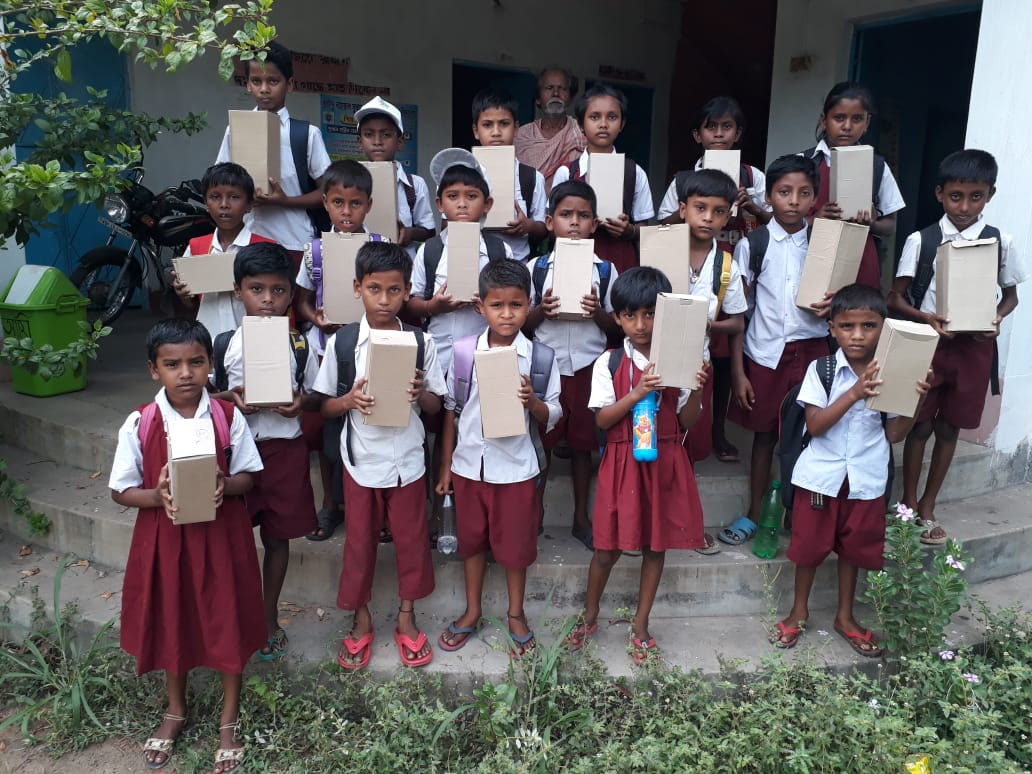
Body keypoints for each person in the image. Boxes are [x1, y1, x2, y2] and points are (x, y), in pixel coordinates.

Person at [109, 318, 264, 773]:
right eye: (172, 364)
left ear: (210, 364)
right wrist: (157, 496)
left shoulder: (227, 417)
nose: (185, 373)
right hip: (166, 539)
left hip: (222, 537)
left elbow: (248, 476)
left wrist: (224, 484)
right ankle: (175, 709)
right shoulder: (141, 422)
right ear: (153, 369)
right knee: (173, 617)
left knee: (227, 616)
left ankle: (229, 718)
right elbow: (120, 490)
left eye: (196, 362)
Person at [771, 284, 930, 657]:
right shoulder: (822, 369)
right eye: (847, 326)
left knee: (854, 549)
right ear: (832, 328)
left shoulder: (892, 372)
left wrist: (916, 400)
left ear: (883, 328)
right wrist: (855, 393)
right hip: (819, 478)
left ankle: (845, 616)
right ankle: (798, 611)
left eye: (868, 326)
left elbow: (894, 434)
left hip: (865, 478)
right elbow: (815, 425)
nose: (857, 335)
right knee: (808, 549)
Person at [566, 266, 708, 663]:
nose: (641, 325)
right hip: (622, 462)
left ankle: (641, 624)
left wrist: (697, 389)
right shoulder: (609, 362)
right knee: (606, 548)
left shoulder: (679, 360)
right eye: (630, 315)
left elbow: (687, 421)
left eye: (650, 314)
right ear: (617, 317)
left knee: (655, 546)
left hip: (665, 462)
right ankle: (589, 615)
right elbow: (602, 420)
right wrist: (637, 392)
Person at [314, 241, 446, 670]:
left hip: (407, 460)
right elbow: (324, 406)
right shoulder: (343, 343)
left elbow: (436, 406)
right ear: (358, 288)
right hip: (361, 462)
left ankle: (407, 616)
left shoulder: (422, 342)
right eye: (375, 289)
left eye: (394, 290)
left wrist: (420, 392)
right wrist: (348, 401)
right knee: (359, 543)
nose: (384, 300)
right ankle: (361, 617)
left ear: (407, 291)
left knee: (412, 541)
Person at [888, 149, 1025, 544]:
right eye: (955, 197)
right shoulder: (922, 240)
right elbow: (895, 297)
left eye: (975, 197)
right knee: (919, 425)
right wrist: (925, 317)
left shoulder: (1000, 241)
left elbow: (1011, 297)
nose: (964, 207)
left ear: (990, 195)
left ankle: (928, 505)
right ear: (939, 194)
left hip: (973, 350)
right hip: (930, 346)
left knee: (950, 428)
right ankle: (908, 503)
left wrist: (996, 318)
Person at [435, 260, 562, 656]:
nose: (507, 314)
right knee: (472, 542)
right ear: (480, 307)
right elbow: (452, 412)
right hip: (469, 467)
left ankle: (515, 613)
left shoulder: (540, 358)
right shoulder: (463, 353)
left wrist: (533, 402)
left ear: (529, 306)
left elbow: (555, 413)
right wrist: (445, 468)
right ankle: (472, 610)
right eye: (497, 305)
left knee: (515, 547)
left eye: (516, 305)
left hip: (516, 469)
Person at [214, 242, 321, 660]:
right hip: (235, 454)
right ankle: (233, 614)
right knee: (232, 539)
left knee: (278, 538)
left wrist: (300, 403)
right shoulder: (224, 344)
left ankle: (269, 614)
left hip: (283, 451)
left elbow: (316, 394)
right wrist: (229, 400)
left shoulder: (299, 344)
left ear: (291, 294)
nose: (267, 300)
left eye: (278, 290)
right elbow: (203, 399)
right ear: (238, 291)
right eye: (256, 289)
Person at [657, 97, 770, 464]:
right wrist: (684, 213)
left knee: (716, 366)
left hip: (731, 267)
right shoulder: (683, 180)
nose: (719, 134)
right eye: (711, 127)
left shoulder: (752, 177)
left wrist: (749, 204)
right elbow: (660, 224)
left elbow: (773, 222)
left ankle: (714, 432)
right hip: (684, 270)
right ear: (698, 135)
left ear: (739, 133)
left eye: (727, 127)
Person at [724, 155, 829, 545]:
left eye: (804, 193)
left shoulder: (823, 244)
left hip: (814, 352)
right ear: (768, 196)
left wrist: (832, 304)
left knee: (809, 436)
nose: (794, 201)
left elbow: (841, 300)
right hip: (766, 353)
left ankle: (797, 512)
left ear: (815, 198)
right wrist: (739, 373)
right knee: (765, 436)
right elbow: (740, 311)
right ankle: (756, 512)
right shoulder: (753, 244)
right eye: (784, 192)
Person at [524, 179, 620, 549]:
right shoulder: (536, 268)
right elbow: (520, 324)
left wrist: (597, 313)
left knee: (583, 445)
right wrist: (541, 311)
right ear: (550, 222)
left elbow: (617, 328)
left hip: (588, 367)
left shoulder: (605, 271)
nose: (575, 223)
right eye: (566, 215)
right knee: (542, 443)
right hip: (546, 368)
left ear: (595, 224)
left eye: (583, 216)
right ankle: (535, 514)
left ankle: (582, 517)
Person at [294, 159, 383, 540]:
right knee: (328, 430)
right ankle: (331, 504)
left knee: (372, 421)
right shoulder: (314, 251)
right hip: (326, 350)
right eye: (338, 203)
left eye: (355, 203)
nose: (347, 212)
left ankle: (375, 507)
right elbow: (301, 300)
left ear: (368, 205)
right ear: (326, 204)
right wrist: (315, 320)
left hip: (370, 350)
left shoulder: (380, 247)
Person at [673, 169, 748, 552]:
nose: (707, 218)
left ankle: (686, 523)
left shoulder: (726, 265)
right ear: (682, 209)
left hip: (697, 368)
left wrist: (710, 324)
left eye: (718, 212)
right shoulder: (662, 249)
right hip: (651, 366)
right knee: (649, 444)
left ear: (728, 216)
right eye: (699, 208)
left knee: (687, 450)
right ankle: (644, 523)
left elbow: (737, 321)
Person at [214, 41, 331, 260]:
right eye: (256, 81)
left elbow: (328, 192)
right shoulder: (236, 129)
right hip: (247, 240)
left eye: (273, 81)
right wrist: (242, 195)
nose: (264, 89)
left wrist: (284, 201)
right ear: (247, 85)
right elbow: (221, 182)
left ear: (290, 84)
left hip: (294, 241)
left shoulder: (306, 134)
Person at [407, 148, 515, 381]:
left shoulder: (499, 251)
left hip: (482, 355)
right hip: (438, 355)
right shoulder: (430, 250)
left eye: (472, 196)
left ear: (487, 204)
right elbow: (413, 301)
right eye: (453, 196)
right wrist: (433, 306)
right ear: (440, 204)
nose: (462, 204)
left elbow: (512, 302)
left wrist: (489, 303)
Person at [798, 81, 905, 290]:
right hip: (807, 256)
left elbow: (890, 226)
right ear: (824, 120)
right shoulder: (801, 162)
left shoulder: (877, 166)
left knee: (855, 309)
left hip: (859, 260)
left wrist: (871, 224)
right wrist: (814, 219)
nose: (847, 126)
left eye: (857, 119)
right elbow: (780, 219)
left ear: (867, 123)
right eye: (839, 118)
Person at [553, 83, 654, 273]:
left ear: (622, 124)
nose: (603, 124)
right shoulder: (567, 173)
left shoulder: (634, 172)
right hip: (574, 263)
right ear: (581, 125)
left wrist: (629, 230)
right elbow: (552, 225)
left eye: (612, 117)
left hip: (621, 262)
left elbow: (645, 229)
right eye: (594, 117)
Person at [172, 162, 273, 340]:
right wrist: (183, 295)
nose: (224, 204)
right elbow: (193, 304)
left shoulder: (265, 248)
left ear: (249, 204)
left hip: (252, 339)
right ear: (206, 203)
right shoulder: (196, 247)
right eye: (215, 197)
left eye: (234, 197)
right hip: (208, 339)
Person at [471, 87, 548, 261]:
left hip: (516, 266)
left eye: (504, 124)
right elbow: (446, 226)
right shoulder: (463, 175)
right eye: (487, 125)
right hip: (474, 265)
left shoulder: (531, 177)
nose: (496, 132)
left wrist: (527, 226)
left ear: (516, 128)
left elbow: (544, 228)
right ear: (476, 130)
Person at [355, 95, 436, 258]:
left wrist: (410, 233)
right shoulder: (349, 181)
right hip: (360, 263)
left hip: (401, 263)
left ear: (399, 141)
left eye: (386, 135)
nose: (377, 141)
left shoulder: (414, 185)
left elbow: (429, 231)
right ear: (360, 142)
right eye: (369, 134)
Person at [514, 67, 586, 191]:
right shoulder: (522, 135)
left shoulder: (581, 133)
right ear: (538, 98)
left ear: (570, 98)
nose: (556, 94)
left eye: (562, 88)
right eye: (549, 88)